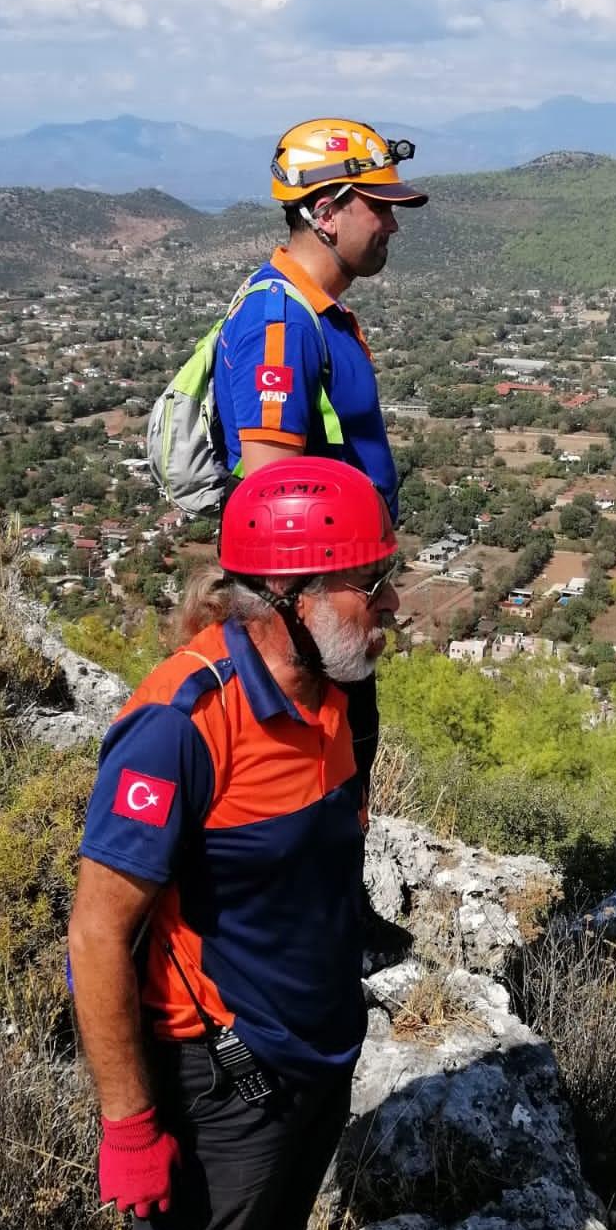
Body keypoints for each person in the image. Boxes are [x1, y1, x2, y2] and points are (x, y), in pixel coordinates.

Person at [50, 458, 401, 1230]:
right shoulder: (183, 725)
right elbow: (100, 930)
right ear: (285, 597)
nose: (391, 604)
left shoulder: (341, 691)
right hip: (222, 1072)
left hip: (311, 1047)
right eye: (368, 583)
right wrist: (128, 1120)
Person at [209, 117, 426, 791]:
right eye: (379, 207)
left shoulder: (317, 312)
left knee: (341, 785)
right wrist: (314, 631)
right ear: (326, 212)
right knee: (317, 787)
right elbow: (270, 492)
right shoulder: (280, 320)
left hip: (331, 612)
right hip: (309, 623)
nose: (391, 225)